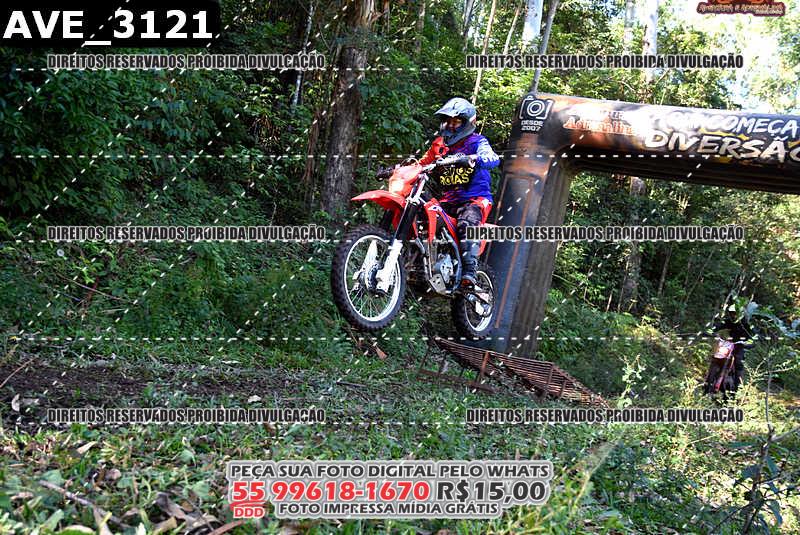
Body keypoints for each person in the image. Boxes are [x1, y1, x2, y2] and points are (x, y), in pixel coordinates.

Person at [418, 97, 500, 286]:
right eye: (447, 121)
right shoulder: (439, 145)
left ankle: (470, 271)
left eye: (456, 122)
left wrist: (474, 158)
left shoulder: (477, 141)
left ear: (467, 123)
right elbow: (421, 164)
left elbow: (492, 158)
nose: (450, 126)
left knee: (467, 222)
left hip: (475, 200)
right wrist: (398, 169)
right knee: (424, 214)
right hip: (448, 200)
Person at [708, 301, 758, 392]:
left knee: (738, 361)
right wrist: (711, 330)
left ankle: (737, 387)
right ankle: (708, 381)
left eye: (735, 313)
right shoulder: (728, 321)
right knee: (716, 357)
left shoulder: (746, 323)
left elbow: (755, 335)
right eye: (731, 313)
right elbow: (719, 325)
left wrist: (750, 341)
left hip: (740, 344)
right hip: (728, 343)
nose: (733, 315)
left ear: (740, 313)